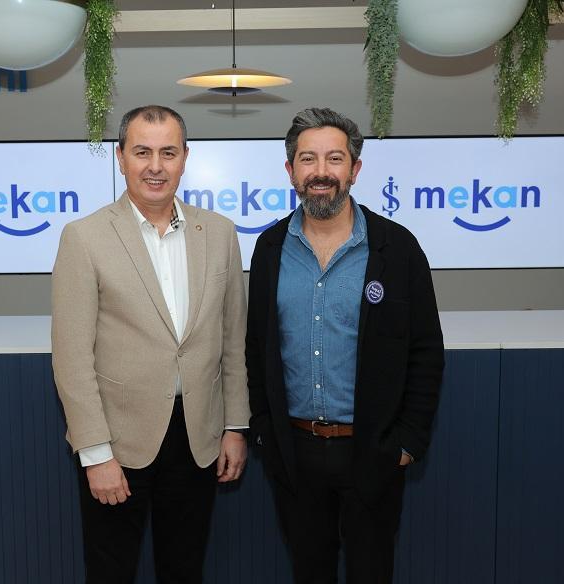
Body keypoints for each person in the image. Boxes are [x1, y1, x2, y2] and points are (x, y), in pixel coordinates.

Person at [51, 104, 250, 584]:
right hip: (119, 443)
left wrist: (235, 426)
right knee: (111, 573)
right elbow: (72, 359)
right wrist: (96, 454)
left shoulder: (219, 232)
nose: (155, 166)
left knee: (184, 571)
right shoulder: (84, 238)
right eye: (142, 152)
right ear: (120, 158)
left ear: (185, 158)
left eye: (168, 153)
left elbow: (232, 340)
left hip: (198, 439)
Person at [245, 107, 444, 584]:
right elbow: (256, 348)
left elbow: (425, 351)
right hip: (295, 454)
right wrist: (265, 431)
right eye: (308, 159)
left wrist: (407, 442)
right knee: (309, 572)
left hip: (372, 452)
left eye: (334, 159)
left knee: (371, 573)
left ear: (355, 169)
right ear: (290, 170)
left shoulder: (398, 248)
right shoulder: (269, 249)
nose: (321, 172)